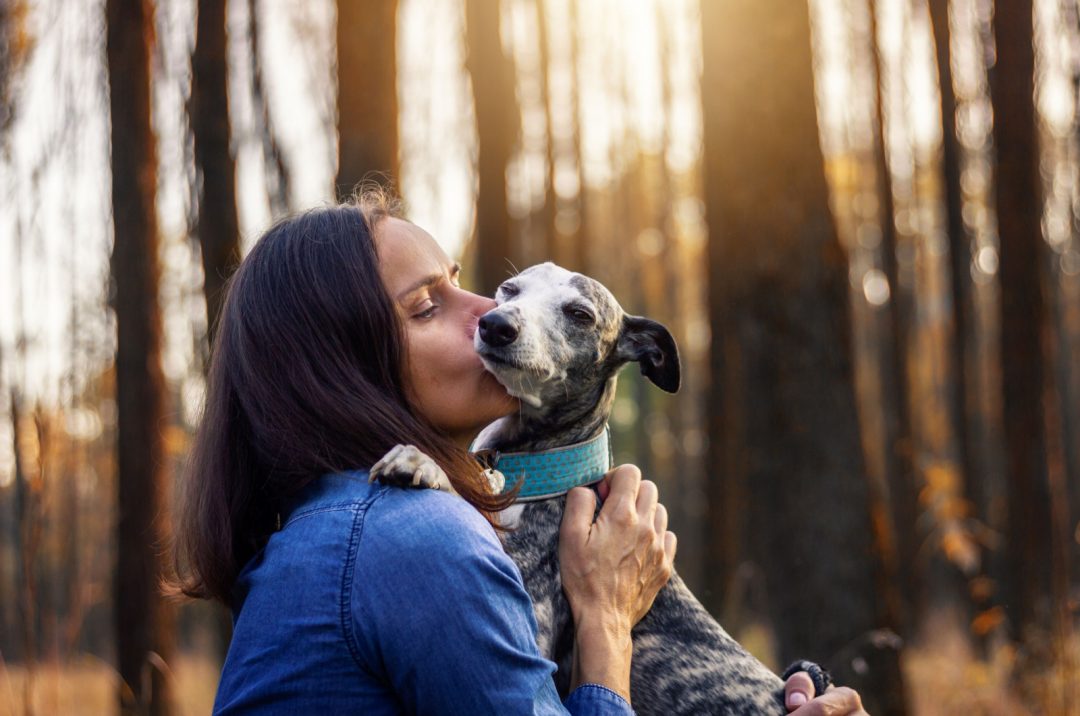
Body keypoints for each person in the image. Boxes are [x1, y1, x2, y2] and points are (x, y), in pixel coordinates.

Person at [171, 190, 866, 714]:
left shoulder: (312, 528)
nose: (488, 313)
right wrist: (605, 624)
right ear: (342, 369)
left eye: (463, 279)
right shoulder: (414, 535)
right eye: (426, 307)